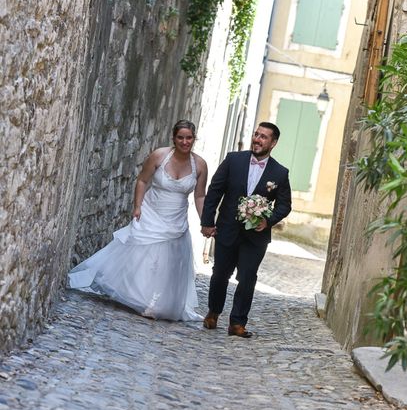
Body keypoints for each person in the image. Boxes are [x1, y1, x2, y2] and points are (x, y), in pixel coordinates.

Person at [68, 120, 208, 321]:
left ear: (194, 138)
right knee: (145, 258)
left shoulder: (200, 165)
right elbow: (142, 180)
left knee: (167, 263)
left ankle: (155, 302)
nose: (185, 142)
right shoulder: (159, 156)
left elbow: (200, 196)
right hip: (152, 211)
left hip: (176, 219)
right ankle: (138, 297)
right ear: (174, 138)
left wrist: (206, 222)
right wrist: (137, 206)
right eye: (180, 137)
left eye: (189, 138)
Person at [200, 122, 292, 337]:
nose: (257, 139)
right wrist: (207, 221)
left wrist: (267, 221)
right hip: (227, 229)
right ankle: (213, 312)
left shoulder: (279, 172)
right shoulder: (234, 160)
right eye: (256, 134)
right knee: (220, 273)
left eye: (264, 137)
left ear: (273, 143)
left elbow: (284, 205)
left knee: (248, 277)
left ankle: (237, 323)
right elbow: (214, 191)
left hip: (256, 237)